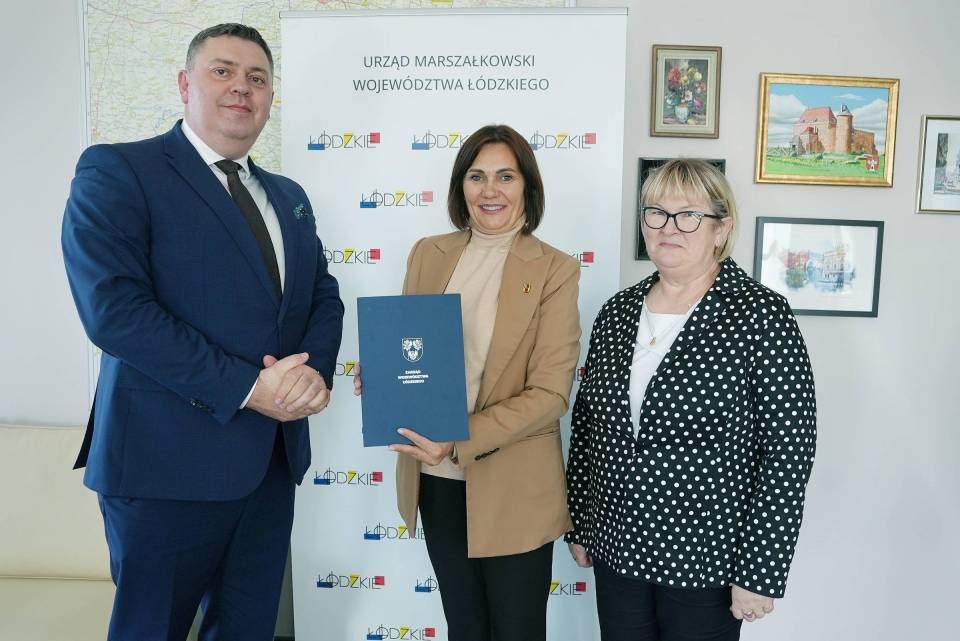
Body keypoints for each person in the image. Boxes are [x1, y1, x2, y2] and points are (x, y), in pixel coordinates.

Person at [61, 23, 343, 641]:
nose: (242, 87)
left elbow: (322, 294)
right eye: (223, 71)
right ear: (185, 84)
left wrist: (311, 375)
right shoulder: (120, 169)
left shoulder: (288, 195)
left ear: (269, 98)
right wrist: (250, 388)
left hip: (269, 466)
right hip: (164, 468)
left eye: (257, 78)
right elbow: (114, 310)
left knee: (248, 628)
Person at [565, 159, 816, 641]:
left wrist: (760, 570)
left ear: (721, 228)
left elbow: (788, 452)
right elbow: (588, 430)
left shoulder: (760, 315)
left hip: (707, 559)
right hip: (616, 546)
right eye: (656, 212)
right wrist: (580, 523)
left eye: (689, 215)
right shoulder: (616, 313)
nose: (669, 227)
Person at [355, 124, 581, 641]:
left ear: (527, 186)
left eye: (505, 176)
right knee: (465, 628)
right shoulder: (427, 253)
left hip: (514, 485)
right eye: (476, 177)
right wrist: (386, 377)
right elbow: (412, 350)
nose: (489, 190)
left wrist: (459, 442)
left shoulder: (555, 269)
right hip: (436, 480)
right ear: (461, 186)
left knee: (517, 631)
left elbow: (550, 394)